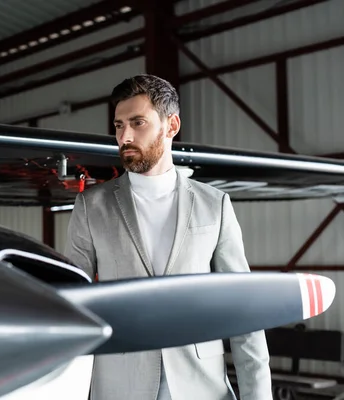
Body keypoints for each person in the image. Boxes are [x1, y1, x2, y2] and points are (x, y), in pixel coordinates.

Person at [64, 74, 272, 400]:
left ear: (171, 125)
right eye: (119, 125)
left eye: (138, 122)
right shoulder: (91, 206)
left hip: (201, 386)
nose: (125, 136)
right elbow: (73, 307)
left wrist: (258, 396)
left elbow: (244, 310)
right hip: (121, 385)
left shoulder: (214, 205)